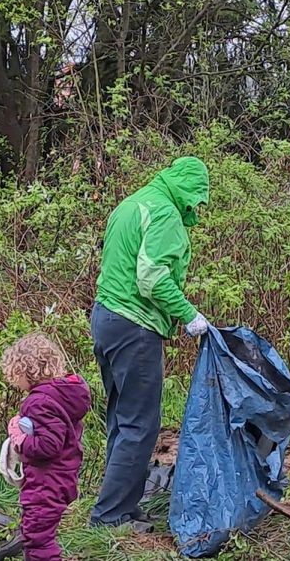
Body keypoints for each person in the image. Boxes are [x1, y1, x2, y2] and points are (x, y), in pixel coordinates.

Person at [89, 156, 211, 531]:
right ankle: (110, 516)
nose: (197, 208)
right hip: (134, 325)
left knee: (121, 418)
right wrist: (188, 314)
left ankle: (123, 505)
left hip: (106, 317)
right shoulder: (165, 213)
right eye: (198, 199)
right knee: (140, 424)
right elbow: (153, 278)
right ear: (189, 190)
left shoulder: (133, 202)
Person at [0, 333, 91, 561]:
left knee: (37, 539)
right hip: (62, 477)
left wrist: (19, 436)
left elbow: (47, 447)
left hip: (45, 482)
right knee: (38, 533)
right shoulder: (62, 395)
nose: (13, 381)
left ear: (25, 371)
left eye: (14, 374)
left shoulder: (38, 401)